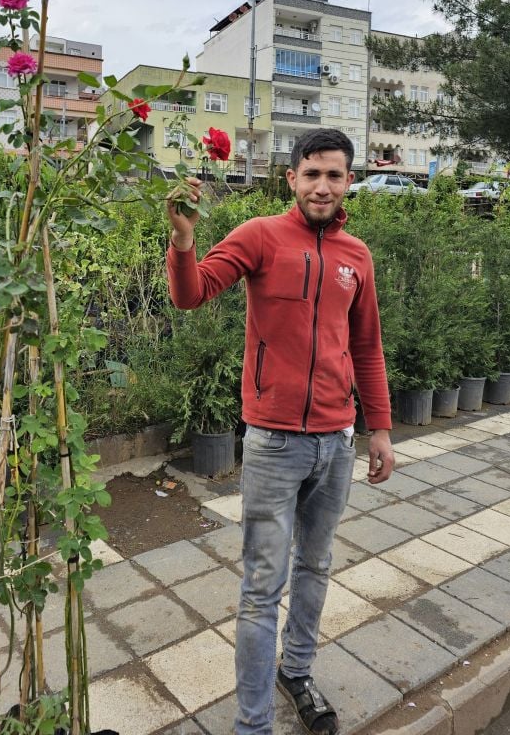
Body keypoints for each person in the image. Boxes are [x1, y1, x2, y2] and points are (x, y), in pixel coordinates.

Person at [166, 128, 394, 735]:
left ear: (350, 182)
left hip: (336, 440)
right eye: (311, 173)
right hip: (273, 444)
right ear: (290, 177)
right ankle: (253, 723)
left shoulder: (357, 256)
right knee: (263, 586)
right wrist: (184, 240)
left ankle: (297, 672)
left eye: (335, 175)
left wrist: (381, 429)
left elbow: (367, 347)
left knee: (316, 568)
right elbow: (191, 295)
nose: (323, 185)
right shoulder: (261, 237)